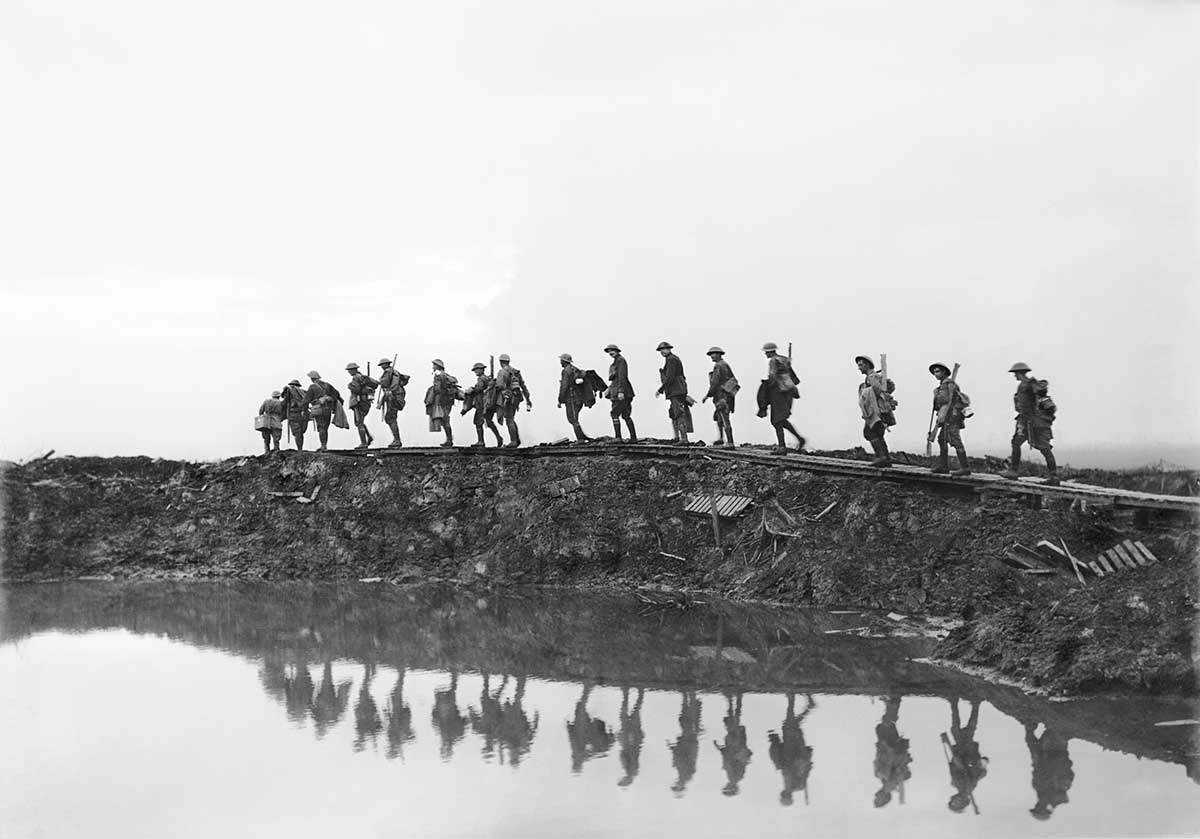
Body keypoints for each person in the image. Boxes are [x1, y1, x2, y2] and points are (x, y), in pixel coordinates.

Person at [1002, 362, 1060, 486]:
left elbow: (1026, 406)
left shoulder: (1025, 385)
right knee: (1043, 448)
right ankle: (1053, 476)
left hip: (1030, 422)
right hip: (1036, 421)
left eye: (1015, 374)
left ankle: (1013, 471)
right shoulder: (1030, 385)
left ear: (1019, 373)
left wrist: (1023, 423)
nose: (1014, 376)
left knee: (1019, 443)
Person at [942, 698, 988, 814]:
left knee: (957, 728)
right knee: (968, 728)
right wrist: (966, 765)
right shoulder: (968, 787)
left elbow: (953, 769)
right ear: (964, 801)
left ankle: (957, 703)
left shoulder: (958, 785)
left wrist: (954, 763)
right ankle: (974, 704)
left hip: (959, 752)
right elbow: (976, 772)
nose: (956, 800)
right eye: (958, 803)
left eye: (954, 802)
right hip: (968, 753)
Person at [769, 693, 815, 806]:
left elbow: (807, 768)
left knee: (791, 725)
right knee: (789, 725)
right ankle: (792, 698)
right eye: (783, 796)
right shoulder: (793, 785)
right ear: (786, 796)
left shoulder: (798, 785)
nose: (782, 794)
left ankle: (808, 707)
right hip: (793, 750)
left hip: (797, 751)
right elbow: (788, 768)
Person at [759, 342, 805, 454]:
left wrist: (765, 391)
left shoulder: (773, 361)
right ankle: (799, 439)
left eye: (766, 352)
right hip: (789, 392)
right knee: (782, 419)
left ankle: (782, 447)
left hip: (778, 393)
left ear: (770, 352)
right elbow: (795, 379)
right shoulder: (784, 360)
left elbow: (773, 377)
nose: (765, 354)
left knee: (776, 420)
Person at [928, 363, 971, 476]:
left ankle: (965, 468)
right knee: (942, 439)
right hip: (947, 416)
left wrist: (936, 395)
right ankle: (944, 466)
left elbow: (944, 399)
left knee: (955, 440)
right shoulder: (945, 384)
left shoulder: (948, 384)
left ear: (944, 372)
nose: (935, 374)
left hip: (952, 416)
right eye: (935, 372)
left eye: (938, 371)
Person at [1025, 722, 1074, 820]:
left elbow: (1037, 769)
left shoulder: (1041, 792)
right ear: (1044, 808)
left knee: (1033, 735)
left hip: (1043, 753)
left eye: (1036, 807)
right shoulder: (1059, 791)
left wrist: (1029, 733)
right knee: (1055, 726)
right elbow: (1065, 769)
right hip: (1055, 749)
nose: (1037, 805)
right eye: (1038, 807)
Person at [855, 355, 895, 468]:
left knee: (869, 433)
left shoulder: (872, 377)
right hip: (879, 411)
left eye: (861, 365)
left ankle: (881, 457)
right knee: (878, 433)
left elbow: (880, 392)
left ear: (867, 365)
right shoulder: (871, 377)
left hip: (876, 412)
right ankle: (886, 458)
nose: (859, 368)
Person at [873, 696, 912, 807]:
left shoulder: (884, 781)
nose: (876, 796)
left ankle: (893, 702)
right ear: (884, 798)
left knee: (883, 726)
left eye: (876, 799)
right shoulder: (891, 784)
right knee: (886, 724)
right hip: (892, 749)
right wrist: (888, 749)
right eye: (878, 799)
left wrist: (880, 747)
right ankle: (894, 702)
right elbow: (895, 766)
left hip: (886, 748)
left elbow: (879, 761)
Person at [655, 341, 692, 445]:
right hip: (677, 390)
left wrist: (660, 389)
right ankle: (677, 437)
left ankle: (683, 439)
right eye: (661, 350)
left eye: (664, 349)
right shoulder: (671, 359)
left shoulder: (671, 359)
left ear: (669, 349)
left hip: (676, 390)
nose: (662, 352)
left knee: (679, 413)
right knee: (673, 413)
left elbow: (670, 377)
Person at [493, 354, 532, 448]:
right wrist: (528, 399)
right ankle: (516, 440)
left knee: (509, 419)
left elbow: (499, 385)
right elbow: (523, 386)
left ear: (501, 362)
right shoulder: (516, 372)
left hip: (507, 398)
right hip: (516, 399)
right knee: (511, 418)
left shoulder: (502, 372)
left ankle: (514, 441)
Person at [462, 362, 503, 447]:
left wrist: (472, 389)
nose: (475, 371)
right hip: (489, 404)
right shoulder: (487, 378)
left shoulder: (481, 378)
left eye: (477, 370)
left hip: (481, 404)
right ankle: (498, 437)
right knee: (488, 421)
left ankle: (481, 441)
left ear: (481, 370)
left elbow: (479, 388)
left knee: (478, 422)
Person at [703, 346, 737, 448]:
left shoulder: (719, 366)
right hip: (726, 395)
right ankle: (722, 438)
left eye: (714, 354)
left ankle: (730, 442)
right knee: (719, 417)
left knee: (724, 417)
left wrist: (707, 395)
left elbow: (715, 382)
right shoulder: (725, 365)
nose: (712, 356)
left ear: (719, 354)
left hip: (722, 396)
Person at [604, 343, 637, 442]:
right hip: (623, 391)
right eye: (609, 351)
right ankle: (633, 438)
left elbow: (622, 376)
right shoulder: (616, 361)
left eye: (612, 350)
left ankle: (618, 437)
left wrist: (621, 392)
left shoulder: (620, 361)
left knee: (614, 414)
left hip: (622, 393)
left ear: (617, 351)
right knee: (626, 415)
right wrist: (609, 389)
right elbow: (615, 379)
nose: (610, 353)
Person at [305, 370, 343, 452]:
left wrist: (303, 410)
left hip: (319, 409)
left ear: (312, 378)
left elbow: (306, 400)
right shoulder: (327, 385)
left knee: (321, 427)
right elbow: (337, 394)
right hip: (328, 409)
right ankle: (324, 445)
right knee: (325, 427)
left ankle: (323, 446)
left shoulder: (312, 387)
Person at [557, 353, 591, 441]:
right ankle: (582, 437)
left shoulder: (566, 371)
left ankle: (580, 440)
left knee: (572, 419)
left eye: (561, 360)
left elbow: (564, 386)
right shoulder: (575, 369)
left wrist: (560, 400)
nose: (560, 362)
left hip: (571, 399)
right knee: (575, 419)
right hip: (579, 399)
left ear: (564, 361)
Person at [345, 362, 380, 450]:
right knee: (360, 422)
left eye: (349, 370)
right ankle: (368, 437)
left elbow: (356, 389)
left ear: (353, 370)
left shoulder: (356, 378)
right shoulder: (363, 377)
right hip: (365, 402)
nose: (349, 372)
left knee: (359, 423)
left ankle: (363, 443)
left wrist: (349, 386)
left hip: (359, 402)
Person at [425, 359, 459, 447]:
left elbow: (437, 389)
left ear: (437, 366)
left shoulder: (438, 375)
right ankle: (449, 439)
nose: (433, 367)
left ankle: (449, 440)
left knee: (445, 420)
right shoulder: (446, 375)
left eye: (434, 365)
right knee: (445, 420)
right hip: (447, 400)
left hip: (441, 400)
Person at [376, 357, 408, 448]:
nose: (381, 366)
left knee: (390, 418)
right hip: (396, 396)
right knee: (390, 417)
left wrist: (379, 381)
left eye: (382, 365)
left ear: (386, 364)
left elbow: (384, 383)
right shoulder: (394, 372)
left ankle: (397, 440)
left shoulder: (388, 372)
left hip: (392, 397)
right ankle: (396, 439)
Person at [280, 379, 309, 451]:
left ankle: (300, 449)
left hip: (293, 414)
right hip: (304, 414)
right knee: (301, 432)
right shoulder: (304, 392)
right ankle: (300, 448)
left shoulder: (289, 391)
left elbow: (284, 403)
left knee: (297, 433)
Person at [256, 390, 284, 454]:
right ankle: (276, 450)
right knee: (276, 438)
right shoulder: (281, 403)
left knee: (266, 438)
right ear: (278, 396)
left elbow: (260, 411)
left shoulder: (266, 401)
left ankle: (267, 451)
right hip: (276, 421)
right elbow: (283, 413)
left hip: (266, 422)